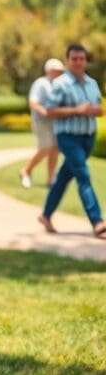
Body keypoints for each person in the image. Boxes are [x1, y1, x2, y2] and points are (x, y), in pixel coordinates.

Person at [38, 44, 106, 239]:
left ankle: (45, 215)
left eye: (82, 59)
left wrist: (92, 110)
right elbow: (50, 110)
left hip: (88, 137)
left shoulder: (92, 83)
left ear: (86, 61)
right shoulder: (60, 84)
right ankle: (97, 222)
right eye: (74, 59)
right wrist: (76, 110)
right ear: (67, 61)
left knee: (63, 178)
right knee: (83, 175)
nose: (78, 62)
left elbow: (100, 109)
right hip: (67, 137)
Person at [19, 58, 65, 188]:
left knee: (55, 149)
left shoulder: (60, 85)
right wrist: (45, 112)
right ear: (50, 71)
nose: (60, 73)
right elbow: (33, 102)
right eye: (57, 71)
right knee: (46, 147)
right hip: (41, 121)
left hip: (55, 121)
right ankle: (26, 171)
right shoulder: (41, 83)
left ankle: (50, 180)